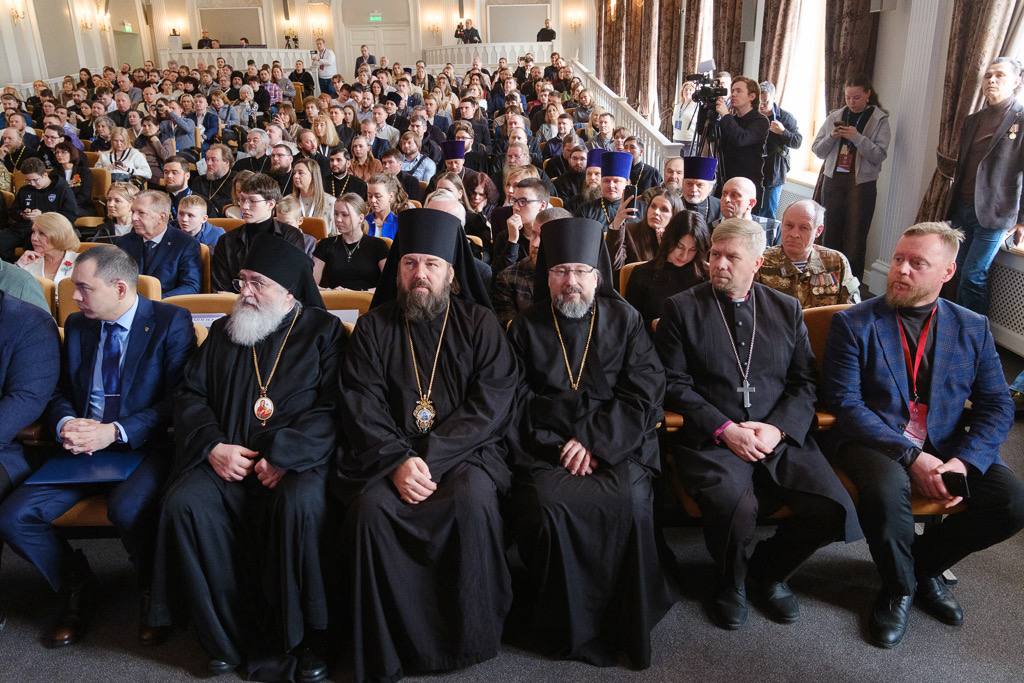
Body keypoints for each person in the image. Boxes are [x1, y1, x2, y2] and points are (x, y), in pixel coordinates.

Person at [821, 221, 1024, 648]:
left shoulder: (972, 326)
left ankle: (920, 569)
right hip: (874, 438)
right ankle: (898, 589)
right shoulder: (854, 323)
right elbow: (846, 404)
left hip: (945, 441)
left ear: (947, 272)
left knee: (1011, 501)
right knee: (887, 490)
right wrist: (912, 457)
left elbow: (997, 404)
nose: (901, 270)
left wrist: (963, 461)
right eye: (898, 259)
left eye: (917, 263)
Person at [146, 235, 339, 682]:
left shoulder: (323, 333)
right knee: (185, 503)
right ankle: (223, 638)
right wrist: (213, 446)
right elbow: (190, 395)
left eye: (258, 283)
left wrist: (285, 457)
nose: (245, 292)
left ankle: (307, 639)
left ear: (289, 292)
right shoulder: (224, 331)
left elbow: (335, 406)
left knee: (302, 506)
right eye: (243, 281)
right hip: (227, 460)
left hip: (293, 465)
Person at [655, 218, 860, 630]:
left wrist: (777, 429)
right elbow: (672, 384)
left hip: (776, 435)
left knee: (833, 508)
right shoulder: (681, 308)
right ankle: (730, 582)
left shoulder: (785, 309)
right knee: (735, 507)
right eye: (715, 254)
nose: (719, 264)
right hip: (713, 438)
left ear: (757, 262)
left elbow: (804, 382)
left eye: (732, 257)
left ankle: (769, 571)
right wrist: (725, 429)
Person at [335, 209, 512, 682]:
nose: (420, 274)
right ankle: (387, 643)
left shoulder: (480, 324)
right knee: (370, 511)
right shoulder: (373, 328)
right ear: (397, 271)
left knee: (472, 501)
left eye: (432, 264)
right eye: (410, 263)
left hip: (464, 455)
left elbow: (491, 404)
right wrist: (398, 460)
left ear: (451, 273)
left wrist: (427, 459)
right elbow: (361, 403)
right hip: (387, 456)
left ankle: (466, 638)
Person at [0, 245, 194, 647]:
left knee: (128, 509)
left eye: (84, 289)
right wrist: (67, 423)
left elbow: (178, 400)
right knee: (14, 517)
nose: (74, 298)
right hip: (80, 449)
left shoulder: (169, 322)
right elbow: (57, 391)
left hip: (143, 446)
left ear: (119, 288)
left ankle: (153, 594)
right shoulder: (79, 325)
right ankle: (76, 585)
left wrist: (115, 431)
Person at [507, 216, 675, 666]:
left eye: (581, 271)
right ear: (548, 276)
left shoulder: (626, 320)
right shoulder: (525, 327)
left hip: (618, 443)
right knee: (546, 506)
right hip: (549, 449)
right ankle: (560, 623)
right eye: (561, 271)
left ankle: (625, 621)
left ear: (597, 276)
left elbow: (645, 392)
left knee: (630, 503)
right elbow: (517, 400)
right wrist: (563, 444)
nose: (571, 282)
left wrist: (594, 441)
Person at [947, 57, 1024, 315]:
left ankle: (974, 333)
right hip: (962, 208)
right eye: (988, 75)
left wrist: (1022, 221)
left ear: (1016, 81)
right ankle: (958, 327)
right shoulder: (972, 120)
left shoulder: (1021, 119)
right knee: (957, 271)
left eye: (1000, 75)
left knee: (973, 276)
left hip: (996, 213)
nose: (992, 80)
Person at [812, 73, 890, 280]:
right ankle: (827, 282)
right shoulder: (835, 116)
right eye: (848, 97)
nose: (851, 102)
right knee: (830, 233)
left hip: (861, 184)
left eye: (856, 97)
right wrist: (832, 136)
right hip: (833, 180)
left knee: (855, 238)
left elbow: (878, 155)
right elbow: (817, 150)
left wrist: (857, 138)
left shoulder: (879, 120)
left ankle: (851, 285)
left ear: (867, 95)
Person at [211, 173, 307, 292]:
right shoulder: (226, 241)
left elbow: (293, 282)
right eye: (242, 199)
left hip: (277, 302)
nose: (245, 206)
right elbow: (221, 289)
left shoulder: (291, 235)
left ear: (270, 204)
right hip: (236, 302)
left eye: (252, 201)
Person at [756, 199, 860, 308]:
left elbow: (853, 310)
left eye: (804, 228)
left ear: (818, 231)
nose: (794, 234)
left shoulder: (837, 262)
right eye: (789, 225)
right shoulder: (761, 262)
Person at [625, 210, 710, 325]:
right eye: (680, 246)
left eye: (692, 249)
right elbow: (629, 324)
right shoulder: (641, 273)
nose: (684, 256)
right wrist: (652, 325)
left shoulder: (705, 276)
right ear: (669, 240)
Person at [114, 190, 201, 297]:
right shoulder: (124, 242)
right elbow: (113, 280)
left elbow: (190, 287)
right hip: (128, 303)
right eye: (133, 212)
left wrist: (155, 301)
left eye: (141, 213)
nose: (133, 218)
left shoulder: (186, 244)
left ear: (161, 217)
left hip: (165, 304)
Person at [493, 206, 569, 325]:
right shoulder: (508, 278)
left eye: (544, 237)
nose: (534, 244)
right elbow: (511, 329)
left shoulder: (579, 279)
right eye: (533, 234)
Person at [3, 158, 78, 261]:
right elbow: (13, 211)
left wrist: (43, 216)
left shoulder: (62, 189)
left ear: (45, 175)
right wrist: (23, 214)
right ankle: (11, 266)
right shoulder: (25, 190)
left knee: (33, 244)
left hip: (49, 230)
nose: (32, 184)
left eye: (35, 180)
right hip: (23, 228)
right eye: (28, 180)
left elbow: (71, 215)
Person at [313, 193, 388, 290]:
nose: (338, 219)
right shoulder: (325, 245)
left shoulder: (378, 245)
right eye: (336, 214)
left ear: (360, 218)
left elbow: (389, 285)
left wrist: (360, 294)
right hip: (335, 298)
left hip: (368, 298)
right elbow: (311, 285)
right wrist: (330, 291)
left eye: (345, 215)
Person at [715, 76, 769, 201]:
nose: (733, 94)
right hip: (725, 180)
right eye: (732, 91)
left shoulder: (761, 121)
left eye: (738, 91)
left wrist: (725, 115)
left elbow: (741, 139)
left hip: (746, 185)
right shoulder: (731, 119)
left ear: (752, 96)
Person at [607, 187, 684, 270]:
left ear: (674, 216)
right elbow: (614, 267)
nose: (656, 212)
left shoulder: (681, 239)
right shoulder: (630, 231)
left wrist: (664, 248)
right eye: (653, 206)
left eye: (664, 209)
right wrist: (617, 222)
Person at [757, 82, 802, 220]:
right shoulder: (752, 115)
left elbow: (797, 142)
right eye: (759, 101)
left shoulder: (785, 117)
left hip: (774, 172)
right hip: (754, 169)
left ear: (773, 98)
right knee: (750, 210)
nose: (761, 105)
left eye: (765, 102)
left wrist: (783, 132)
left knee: (768, 214)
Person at [15, 212, 80, 293]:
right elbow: (10, 290)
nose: (34, 238)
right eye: (33, 232)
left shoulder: (80, 261)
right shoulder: (28, 260)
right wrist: (19, 265)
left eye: (42, 233)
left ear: (59, 235)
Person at [712, 176, 782, 246]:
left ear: (751, 203)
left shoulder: (773, 229)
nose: (726, 199)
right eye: (724, 194)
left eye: (734, 195)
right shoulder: (711, 229)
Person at [579, 150, 633, 231]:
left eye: (616, 181)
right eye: (606, 181)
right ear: (601, 182)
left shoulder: (640, 209)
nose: (611, 185)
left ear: (627, 183)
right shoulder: (585, 210)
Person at [188, 143, 235, 218]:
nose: (208, 163)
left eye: (213, 160)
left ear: (226, 162)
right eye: (207, 159)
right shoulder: (199, 181)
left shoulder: (236, 181)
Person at [291, 157, 335, 225]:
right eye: (294, 173)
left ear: (313, 175)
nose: (295, 176)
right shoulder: (288, 201)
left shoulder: (331, 202)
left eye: (300, 173)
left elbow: (335, 230)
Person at [680, 156, 722, 223]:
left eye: (699, 185)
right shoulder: (673, 204)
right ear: (682, 184)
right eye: (689, 184)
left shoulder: (720, 206)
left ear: (710, 188)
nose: (694, 189)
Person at [672, 82, 699, 154]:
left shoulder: (697, 106)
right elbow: (673, 122)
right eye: (686, 89)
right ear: (682, 91)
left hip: (690, 141)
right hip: (676, 139)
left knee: (689, 161)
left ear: (694, 92)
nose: (688, 91)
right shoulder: (677, 105)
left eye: (690, 90)